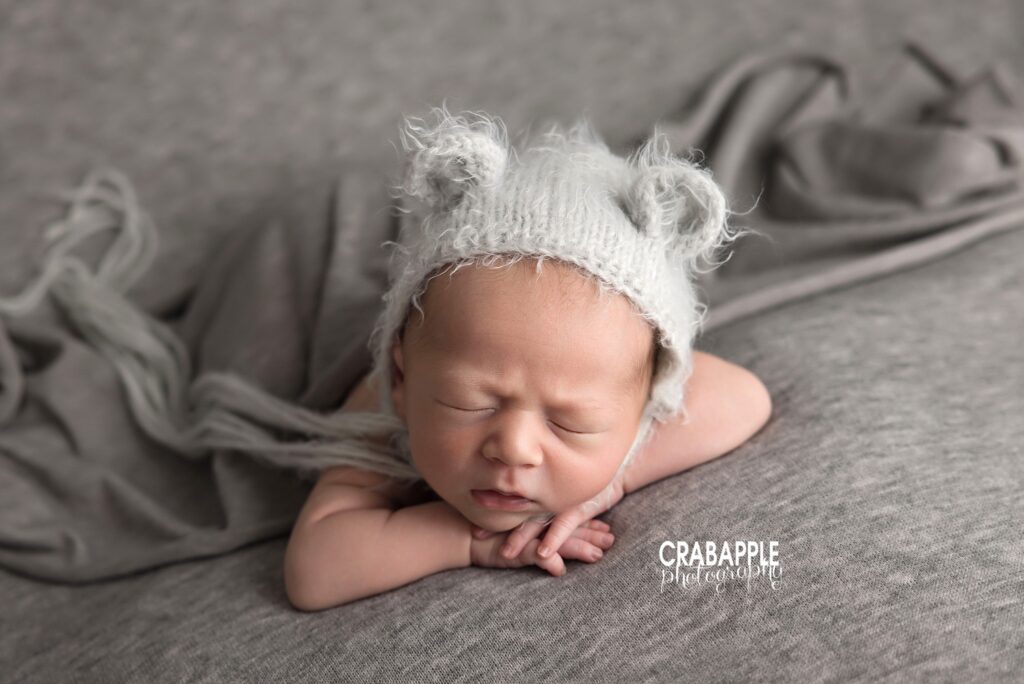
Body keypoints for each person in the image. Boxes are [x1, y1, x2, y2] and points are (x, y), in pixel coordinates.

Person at [283, 105, 772, 611]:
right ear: (403, 378)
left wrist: (615, 478)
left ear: (648, 404)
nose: (514, 450)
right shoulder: (384, 409)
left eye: (572, 423)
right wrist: (465, 539)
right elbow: (314, 573)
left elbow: (746, 399)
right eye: (468, 402)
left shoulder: (632, 385)